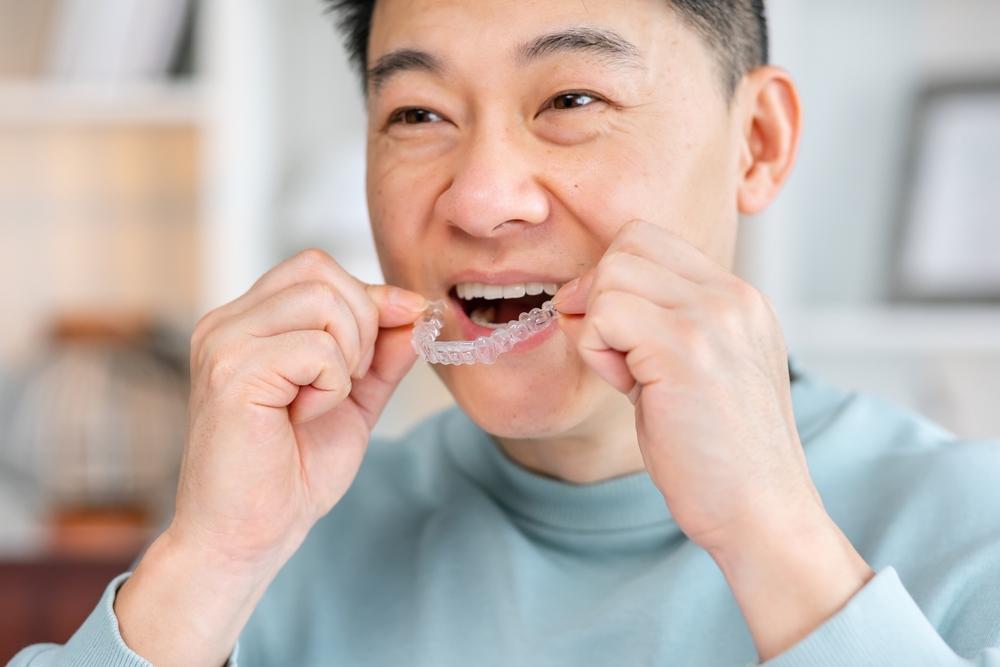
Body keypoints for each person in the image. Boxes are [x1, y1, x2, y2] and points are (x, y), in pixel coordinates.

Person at [11, 0, 1000, 665]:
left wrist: (775, 544)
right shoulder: (281, 551)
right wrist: (208, 565)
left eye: (572, 100)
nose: (482, 200)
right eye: (417, 114)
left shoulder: (974, 533)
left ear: (758, 142)